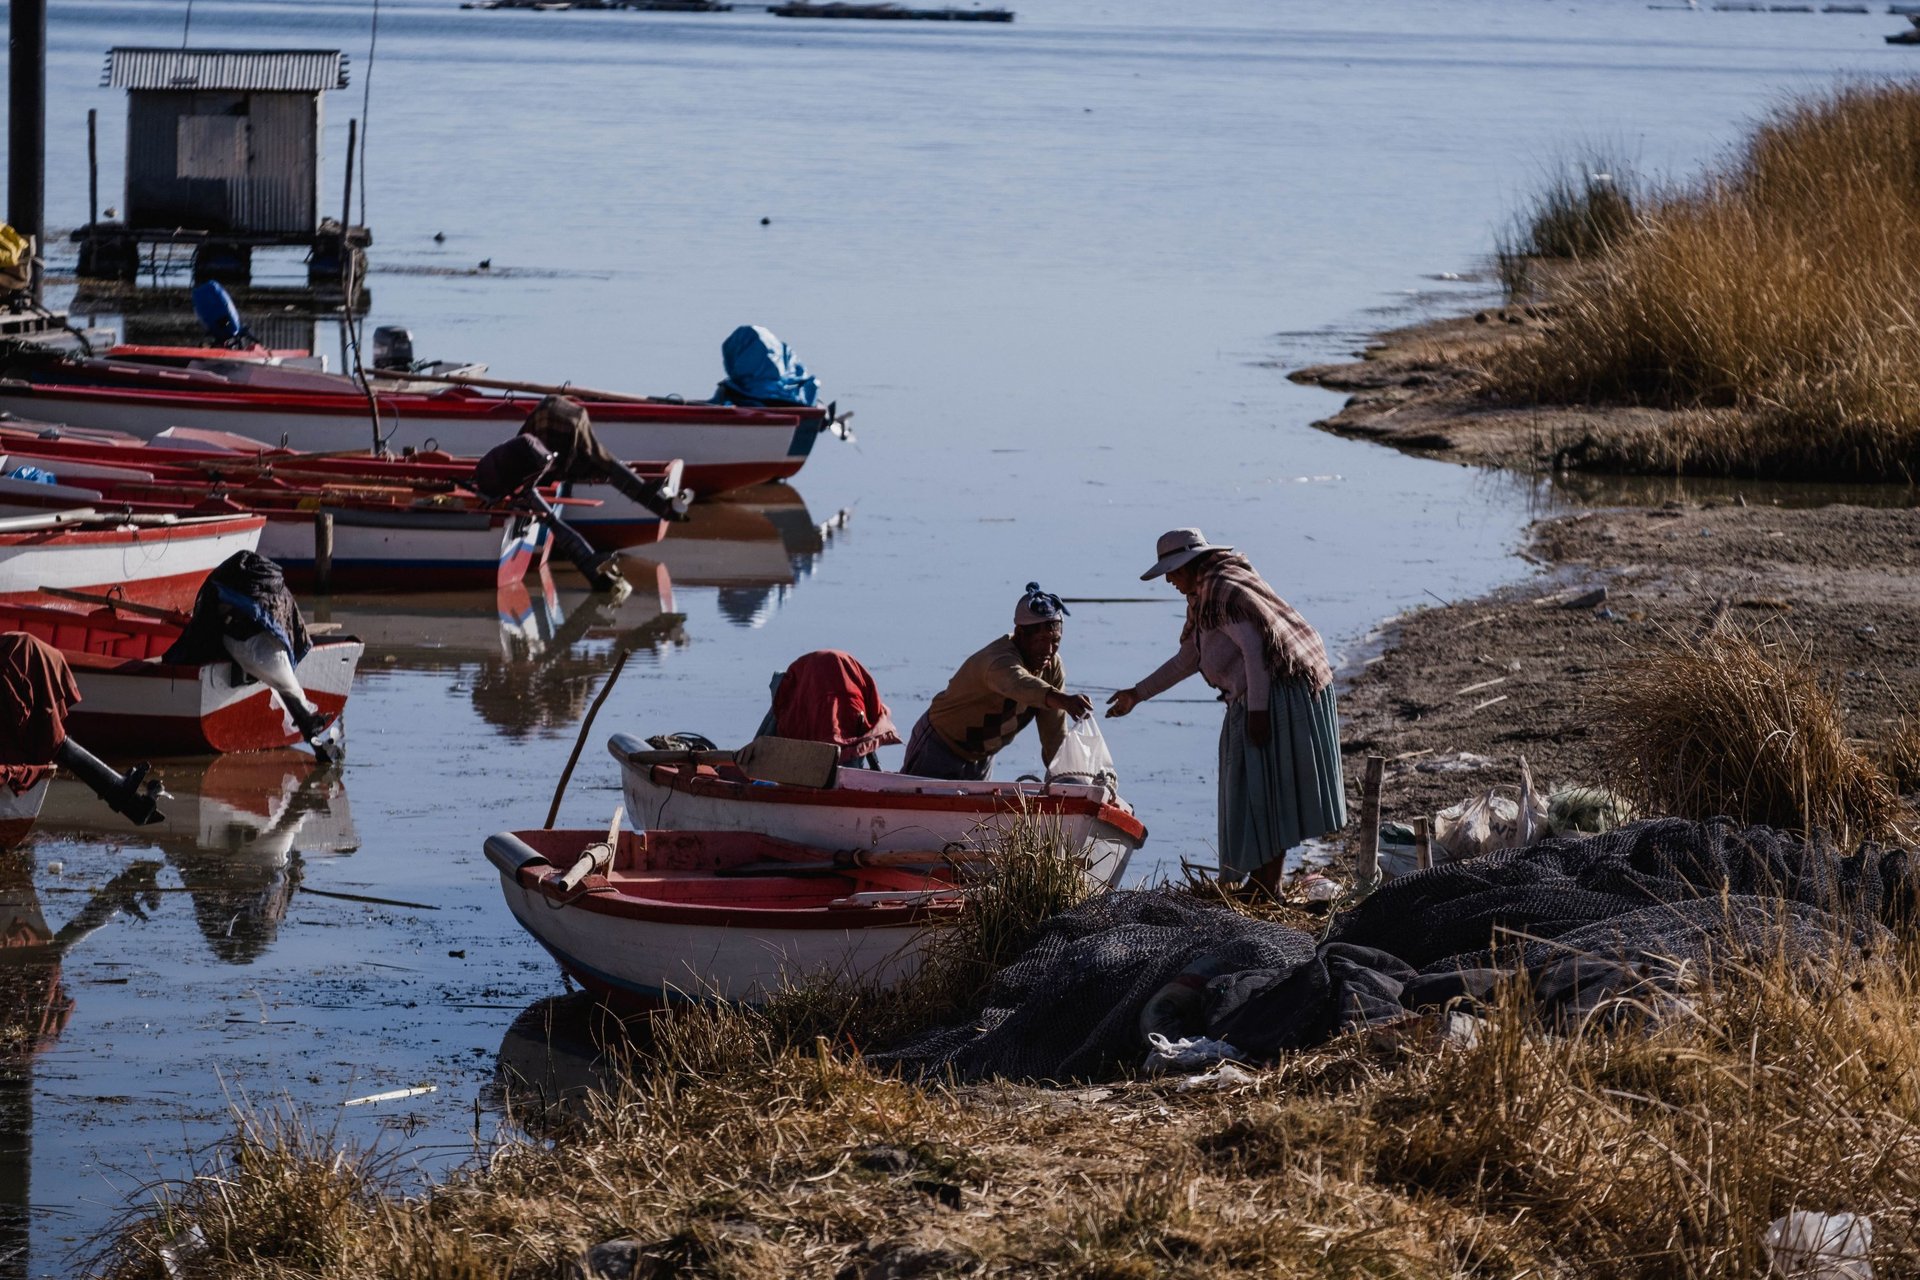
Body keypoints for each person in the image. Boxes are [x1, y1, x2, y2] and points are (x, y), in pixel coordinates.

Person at [1107, 529, 1345, 893]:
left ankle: (1267, 886)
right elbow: (1190, 658)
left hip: (1276, 694)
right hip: (1255, 696)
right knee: (1255, 789)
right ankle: (1263, 882)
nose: (1169, 579)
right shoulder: (1203, 596)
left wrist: (1259, 714)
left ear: (1189, 563)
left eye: (1172, 571)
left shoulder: (1221, 590)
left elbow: (1256, 651)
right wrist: (1137, 695)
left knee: (1265, 790)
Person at [902, 583, 1096, 781]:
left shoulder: (1052, 667)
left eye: (1055, 640)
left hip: (982, 758)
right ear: (1020, 634)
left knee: (974, 813)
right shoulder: (998, 661)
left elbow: (1053, 734)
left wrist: (1067, 779)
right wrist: (1062, 699)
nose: (1048, 650)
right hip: (939, 746)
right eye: (1040, 640)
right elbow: (1019, 684)